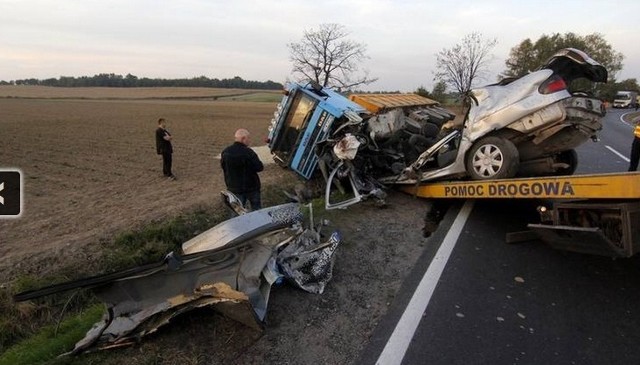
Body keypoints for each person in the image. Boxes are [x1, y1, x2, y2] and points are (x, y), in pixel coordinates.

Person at [221, 129, 264, 210]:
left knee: (236, 213)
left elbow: (223, 167)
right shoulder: (249, 152)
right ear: (243, 138)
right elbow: (259, 167)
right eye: (248, 138)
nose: (249, 141)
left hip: (234, 189)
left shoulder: (225, 152)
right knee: (257, 211)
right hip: (251, 188)